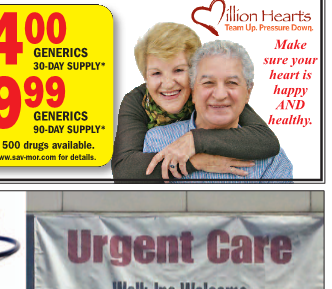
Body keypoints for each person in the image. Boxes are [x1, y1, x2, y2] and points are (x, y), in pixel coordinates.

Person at [112, 21, 281, 182]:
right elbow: (124, 170)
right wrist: (197, 162)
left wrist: (195, 139)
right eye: (156, 73)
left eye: (178, 70)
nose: (169, 83)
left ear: (195, 73)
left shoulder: (211, 94)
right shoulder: (136, 101)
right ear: (145, 77)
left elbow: (266, 140)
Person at [143, 41, 293, 181]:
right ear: (193, 91)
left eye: (232, 83)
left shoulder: (272, 160)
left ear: (248, 92)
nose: (220, 95)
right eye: (208, 83)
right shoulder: (158, 141)